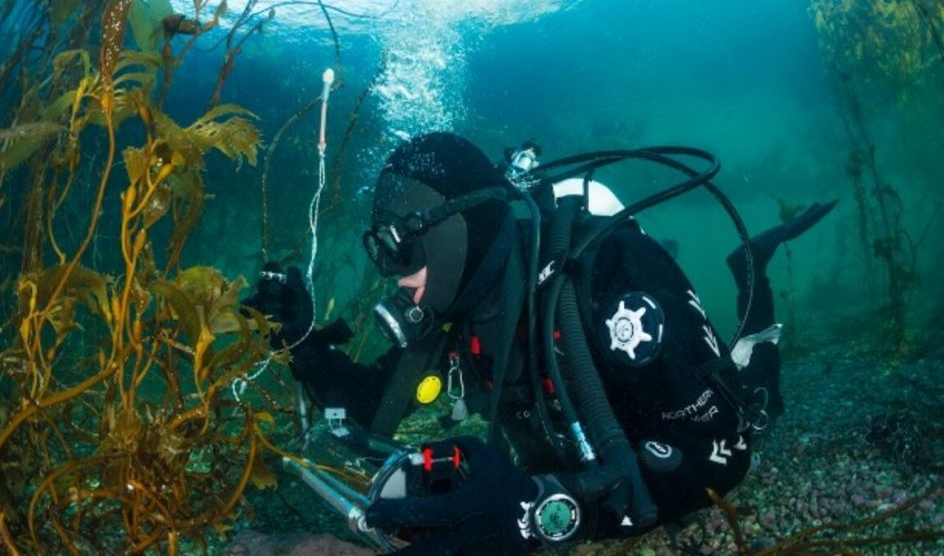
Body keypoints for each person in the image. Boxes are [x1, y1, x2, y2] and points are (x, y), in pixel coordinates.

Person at [242, 133, 835, 555]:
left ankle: (750, 264)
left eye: (401, 248)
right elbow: (372, 405)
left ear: (450, 233)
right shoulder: (465, 306)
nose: (391, 273)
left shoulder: (611, 273)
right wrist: (301, 342)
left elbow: (720, 458)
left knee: (755, 396)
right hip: (594, 458)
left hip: (693, 420)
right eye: (380, 250)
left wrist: (540, 511)